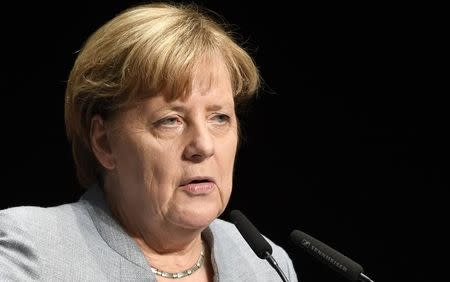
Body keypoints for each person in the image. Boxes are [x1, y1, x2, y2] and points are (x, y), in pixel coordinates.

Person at [0, 2, 298, 281]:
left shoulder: (267, 267)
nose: (203, 146)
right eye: (170, 120)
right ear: (104, 143)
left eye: (219, 118)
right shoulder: (26, 252)